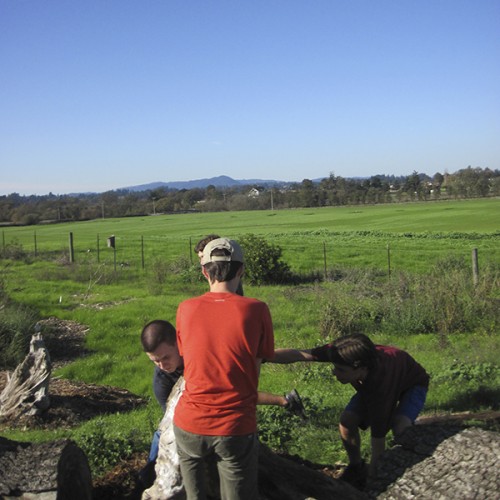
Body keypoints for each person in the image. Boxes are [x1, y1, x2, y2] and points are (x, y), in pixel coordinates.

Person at [139, 318, 305, 488]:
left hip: (224, 414)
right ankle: (146, 480)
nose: (161, 365)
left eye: (165, 357)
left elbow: (234, 392)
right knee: (159, 444)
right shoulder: (162, 382)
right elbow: (172, 420)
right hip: (190, 423)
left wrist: (308, 355)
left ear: (178, 343)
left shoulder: (202, 354)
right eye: (155, 360)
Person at [173, 237, 274, 499]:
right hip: (235, 425)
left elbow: (188, 355)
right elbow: (258, 361)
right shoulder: (257, 309)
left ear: (205, 271)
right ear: (240, 271)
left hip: (188, 424)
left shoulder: (185, 309)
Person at [270, 333, 429, 488]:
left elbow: (378, 441)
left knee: (400, 426)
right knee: (347, 421)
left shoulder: (381, 386)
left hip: (412, 384)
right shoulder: (341, 352)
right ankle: (356, 467)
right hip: (373, 383)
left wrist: (373, 483)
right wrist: (263, 356)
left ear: (360, 368)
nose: (334, 372)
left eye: (341, 370)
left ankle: (411, 471)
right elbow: (300, 354)